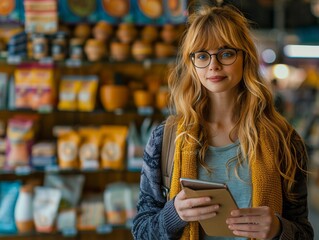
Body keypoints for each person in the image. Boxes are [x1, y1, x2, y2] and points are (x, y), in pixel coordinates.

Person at [132, 5, 314, 240]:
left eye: (226, 53)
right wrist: (173, 214)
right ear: (192, 63)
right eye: (202, 55)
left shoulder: (284, 139)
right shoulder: (165, 138)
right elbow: (140, 231)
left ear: (245, 57)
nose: (213, 65)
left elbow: (304, 232)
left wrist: (279, 230)